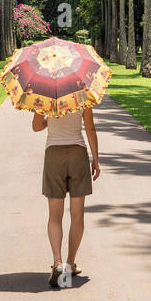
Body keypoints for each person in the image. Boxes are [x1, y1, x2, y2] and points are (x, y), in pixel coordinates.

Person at [32, 103, 100, 288]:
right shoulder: (83, 95)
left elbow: (36, 126)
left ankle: (58, 262)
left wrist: (49, 119)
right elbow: (90, 128)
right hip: (78, 154)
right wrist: (96, 159)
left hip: (54, 154)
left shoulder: (44, 96)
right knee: (77, 215)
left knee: (55, 215)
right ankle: (70, 264)